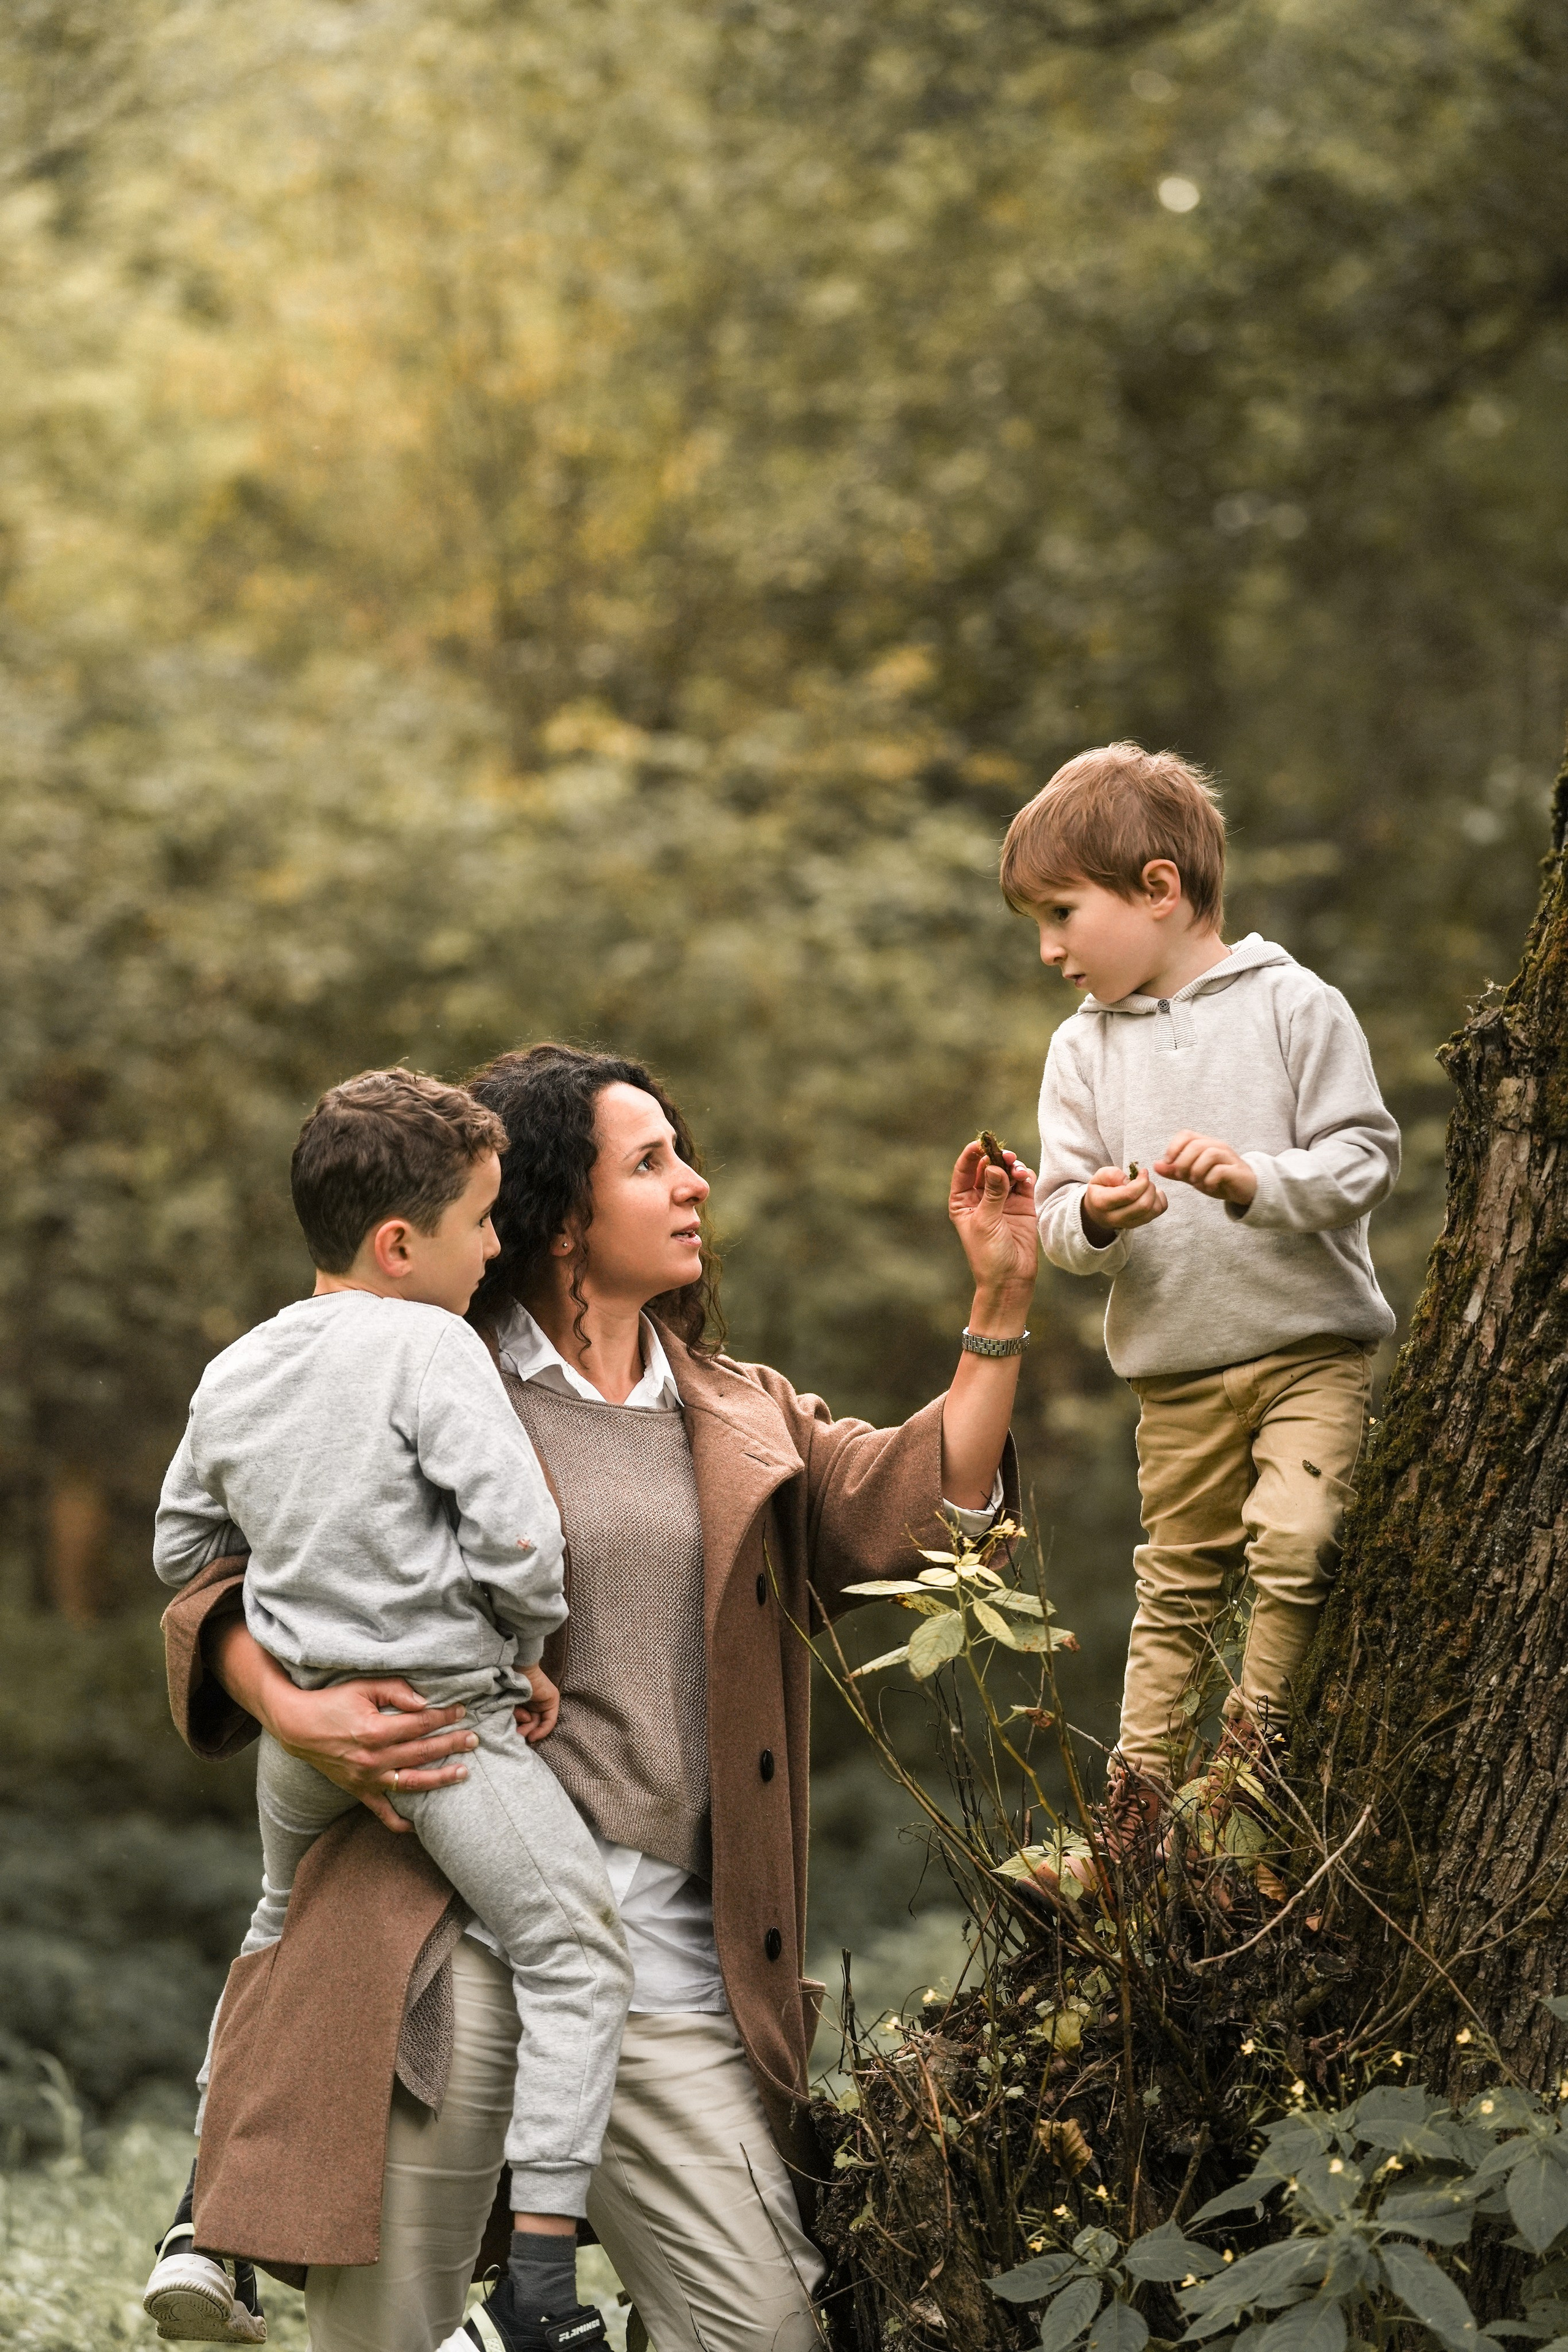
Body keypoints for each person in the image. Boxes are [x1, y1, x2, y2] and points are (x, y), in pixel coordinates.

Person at [159, 1043, 1039, 2352]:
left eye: (678, 1154)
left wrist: (1001, 1298)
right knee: (380, 2334)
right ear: (560, 1214)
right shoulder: (427, 1361)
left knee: (765, 2331)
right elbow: (215, 1566)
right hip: (435, 1943)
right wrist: (286, 1705)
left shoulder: (736, 1408)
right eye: (650, 1163)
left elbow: (916, 1508)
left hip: (672, 1961)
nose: (693, 1183)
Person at [145, 1068, 630, 2352]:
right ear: (400, 1243)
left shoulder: (240, 1364)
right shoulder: (431, 1345)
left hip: (301, 1741)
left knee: (271, 1930)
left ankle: (205, 2225)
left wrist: (297, 1623)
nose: (494, 1250)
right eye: (481, 1225)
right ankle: (536, 2280)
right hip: (440, 1731)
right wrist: (522, 1649)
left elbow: (181, 1544)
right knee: (577, 1954)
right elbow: (522, 1544)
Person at [1003, 742, 1400, 1842]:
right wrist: (1096, 1215)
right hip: (1175, 1376)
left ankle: (1247, 1771)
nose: (1048, 950)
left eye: (1062, 915)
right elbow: (1056, 1218)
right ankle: (1129, 1822)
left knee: (1300, 1536)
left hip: (1308, 1354)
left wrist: (1257, 1180)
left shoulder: (1295, 1005)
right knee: (1174, 1588)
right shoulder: (1079, 1053)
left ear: (1160, 890)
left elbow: (1367, 1154)